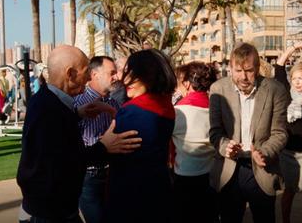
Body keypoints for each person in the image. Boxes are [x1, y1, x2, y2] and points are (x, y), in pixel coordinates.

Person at [16, 45, 142, 222]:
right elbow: (62, 160)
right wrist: (104, 146)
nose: (89, 77)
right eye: (86, 71)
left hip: (53, 204)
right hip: (52, 209)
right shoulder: (49, 108)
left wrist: (76, 114)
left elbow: (55, 137)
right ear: (70, 74)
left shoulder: (45, 100)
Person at [209, 42, 290, 223]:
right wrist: (225, 147)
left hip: (262, 170)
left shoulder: (275, 90)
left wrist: (264, 152)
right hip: (229, 170)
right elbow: (215, 132)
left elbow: (280, 133)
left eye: (249, 70)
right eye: (238, 71)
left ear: (258, 68)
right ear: (230, 68)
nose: (243, 77)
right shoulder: (218, 90)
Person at [106, 49, 177, 223]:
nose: (126, 80)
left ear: (150, 76)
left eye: (135, 75)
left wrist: (103, 145)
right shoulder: (166, 106)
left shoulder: (132, 111)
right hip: (158, 189)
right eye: (127, 73)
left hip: (130, 196)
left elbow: (116, 152)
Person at [73, 56, 121, 223]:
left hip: (112, 174)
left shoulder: (114, 103)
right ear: (94, 74)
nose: (116, 77)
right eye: (112, 73)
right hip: (89, 177)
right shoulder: (78, 103)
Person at [171, 61, 218, 223]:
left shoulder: (178, 112)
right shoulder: (215, 109)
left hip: (184, 176)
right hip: (212, 176)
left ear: (187, 83)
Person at [273, 40, 302, 223]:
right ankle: (286, 220)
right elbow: (279, 66)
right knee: (289, 190)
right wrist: (295, 48)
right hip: (288, 151)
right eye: (295, 78)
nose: (297, 82)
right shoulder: (285, 92)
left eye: (301, 78)